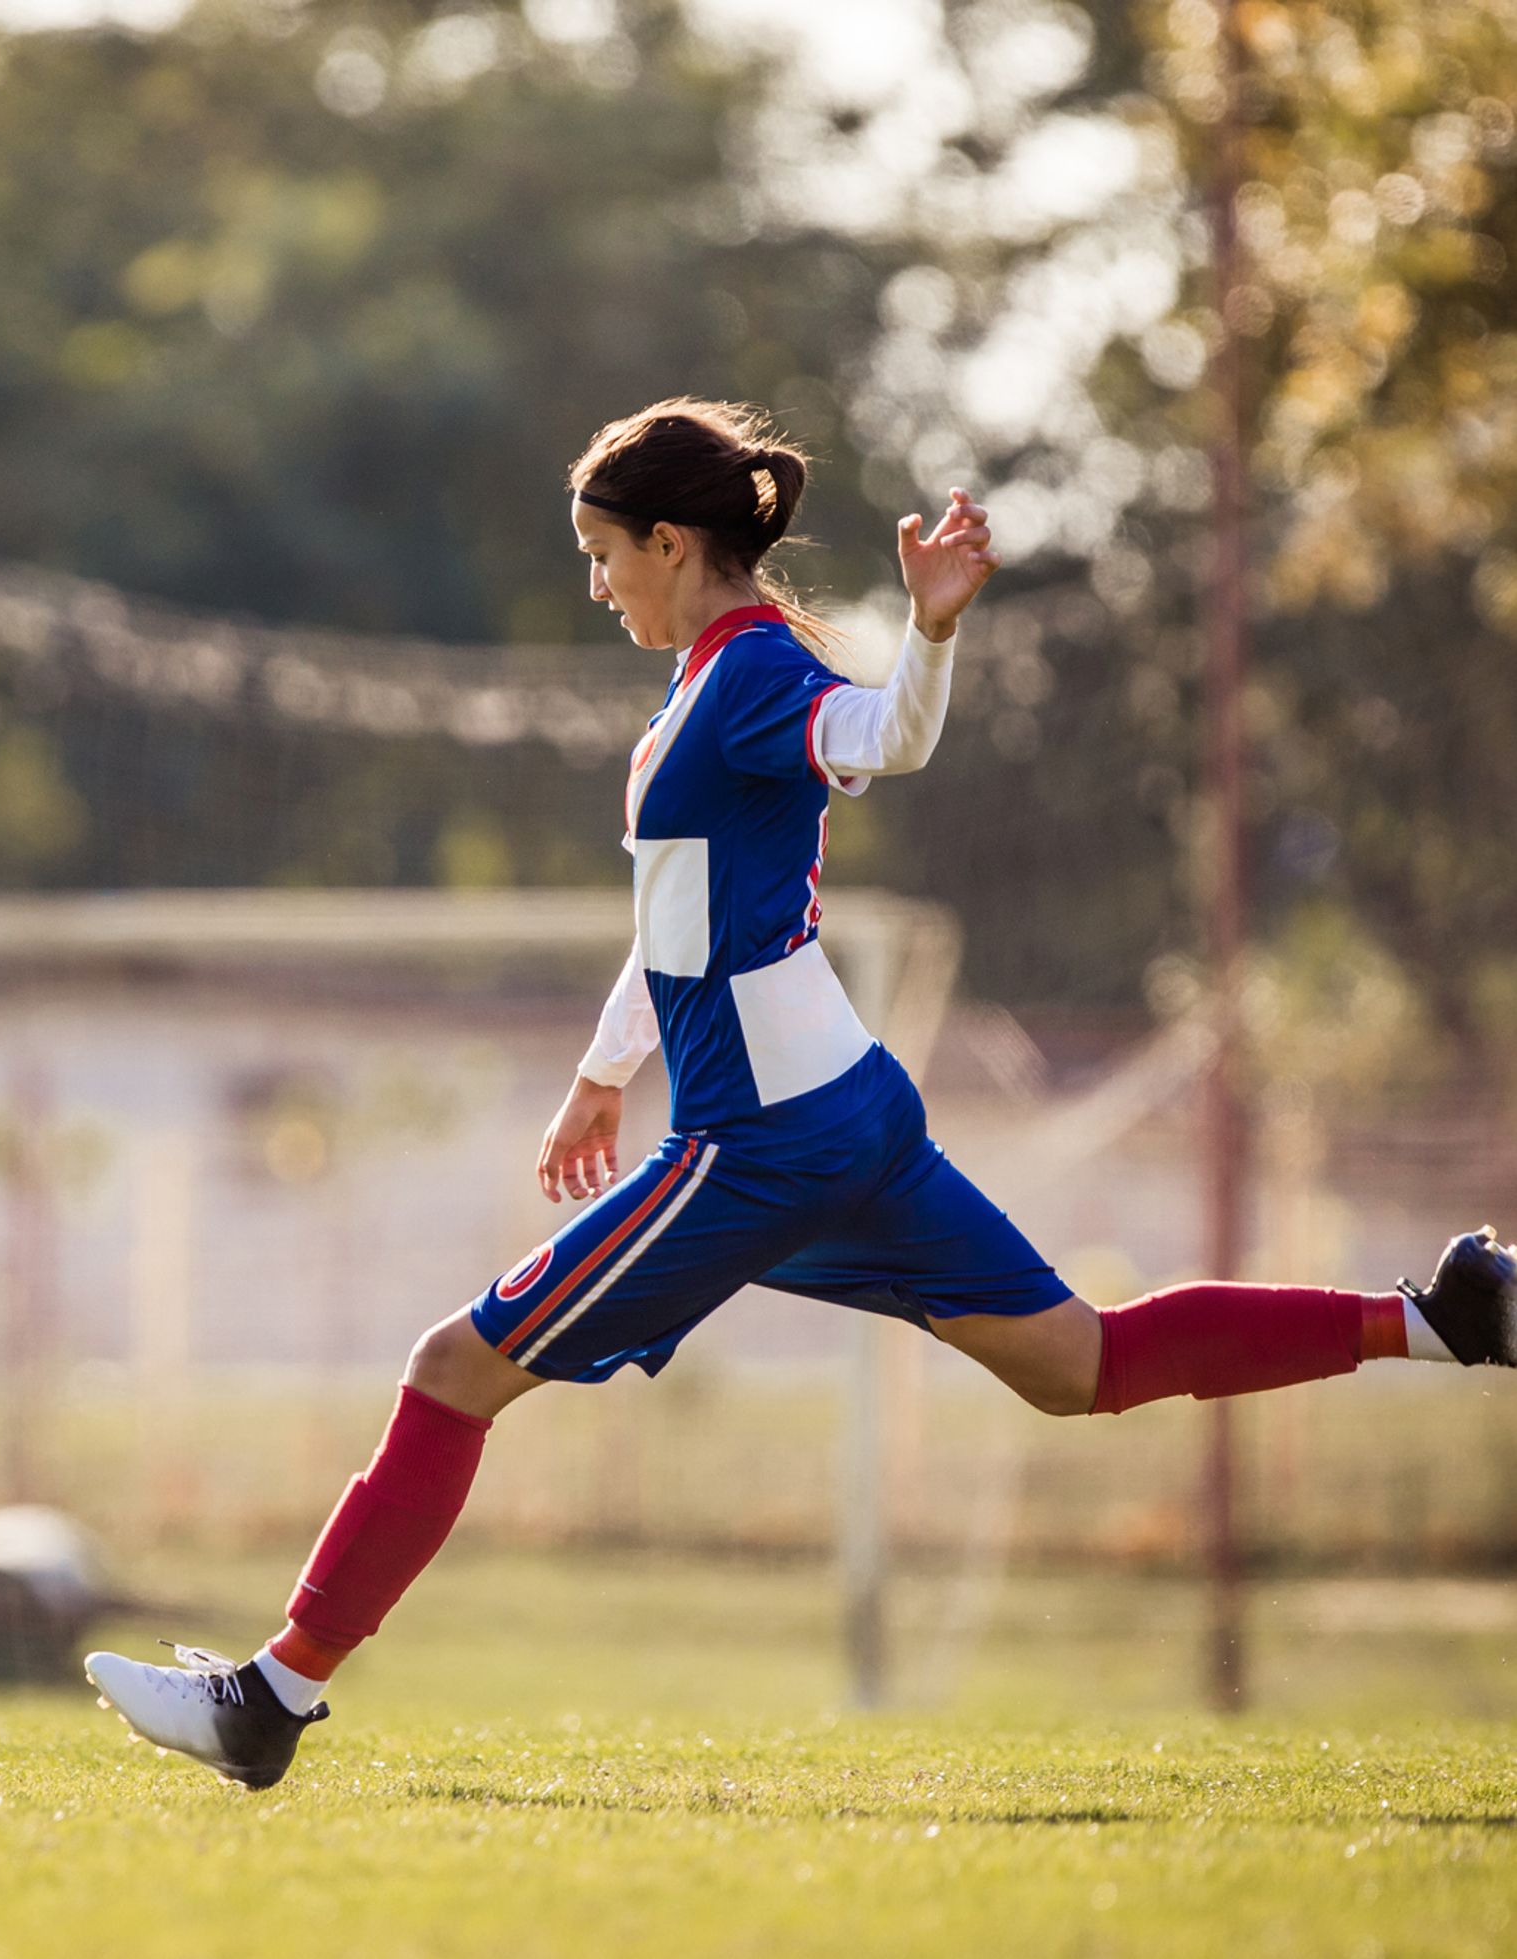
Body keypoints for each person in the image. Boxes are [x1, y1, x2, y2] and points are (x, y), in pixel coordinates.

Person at [85, 396, 1516, 1789]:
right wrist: (603, 1076)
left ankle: (269, 1696)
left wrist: (936, 628)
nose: (592, 584)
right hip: (847, 1117)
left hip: (765, 1144)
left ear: (667, 540)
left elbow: (887, 737)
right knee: (1079, 1365)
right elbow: (681, 924)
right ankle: (1442, 1320)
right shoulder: (699, 681)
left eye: (600, 552)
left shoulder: (758, 673)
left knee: (451, 1370)